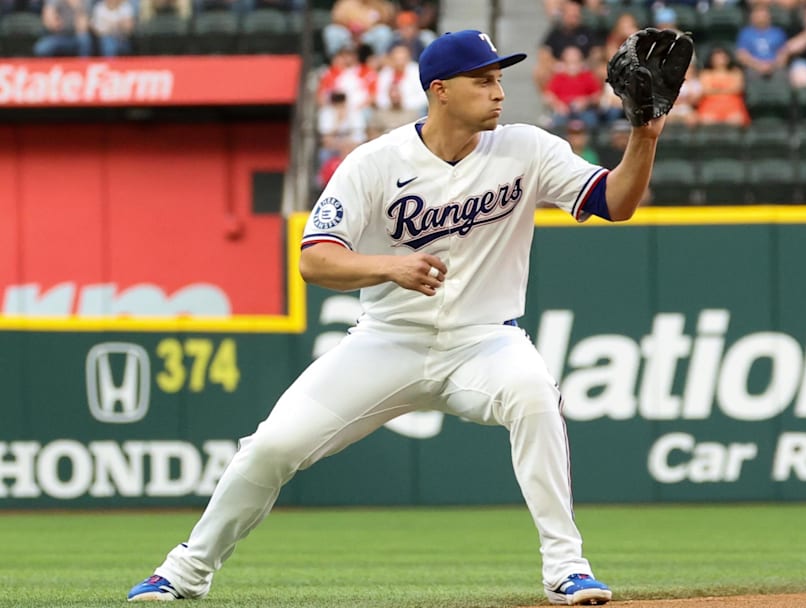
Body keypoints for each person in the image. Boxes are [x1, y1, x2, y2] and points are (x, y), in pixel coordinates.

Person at [126, 27, 672, 606]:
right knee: (270, 448)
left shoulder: (527, 148)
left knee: (535, 394)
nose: (498, 92)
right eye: (482, 80)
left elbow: (616, 203)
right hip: (388, 341)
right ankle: (184, 572)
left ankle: (567, 568)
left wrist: (644, 134)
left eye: (499, 79)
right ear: (440, 90)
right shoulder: (375, 162)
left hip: (486, 341)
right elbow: (316, 261)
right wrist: (390, 266)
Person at [697, 46, 750, 126]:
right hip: (710, 105)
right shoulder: (706, 73)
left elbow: (737, 89)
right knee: (706, 120)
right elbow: (706, 90)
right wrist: (727, 89)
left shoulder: (736, 72)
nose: (720, 60)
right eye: (717, 58)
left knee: (736, 120)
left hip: (732, 105)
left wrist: (716, 90)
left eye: (722, 57)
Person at [736, 4, 790, 79]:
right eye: (757, 16)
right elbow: (742, 55)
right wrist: (758, 65)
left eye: (763, 16)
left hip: (775, 67)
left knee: (782, 74)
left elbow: (783, 54)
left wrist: (772, 65)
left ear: (769, 17)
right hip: (752, 68)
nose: (760, 19)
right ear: (752, 17)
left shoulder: (778, 33)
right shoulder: (745, 33)